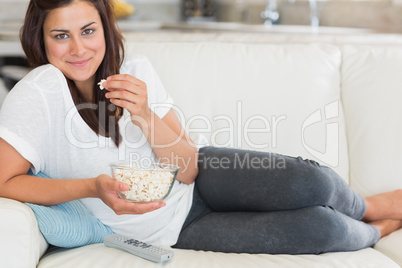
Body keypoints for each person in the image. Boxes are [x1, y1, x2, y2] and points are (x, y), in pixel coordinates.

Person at [0, 0, 401, 255]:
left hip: (204, 178)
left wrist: (143, 112)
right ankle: (375, 229)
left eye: (88, 31)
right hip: (170, 230)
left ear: (105, 28)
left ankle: (370, 207)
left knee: (309, 184)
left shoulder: (135, 70)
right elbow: (4, 181)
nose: (78, 48)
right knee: (321, 230)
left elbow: (188, 168)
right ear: (42, 39)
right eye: (61, 36)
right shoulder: (38, 93)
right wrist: (89, 187)